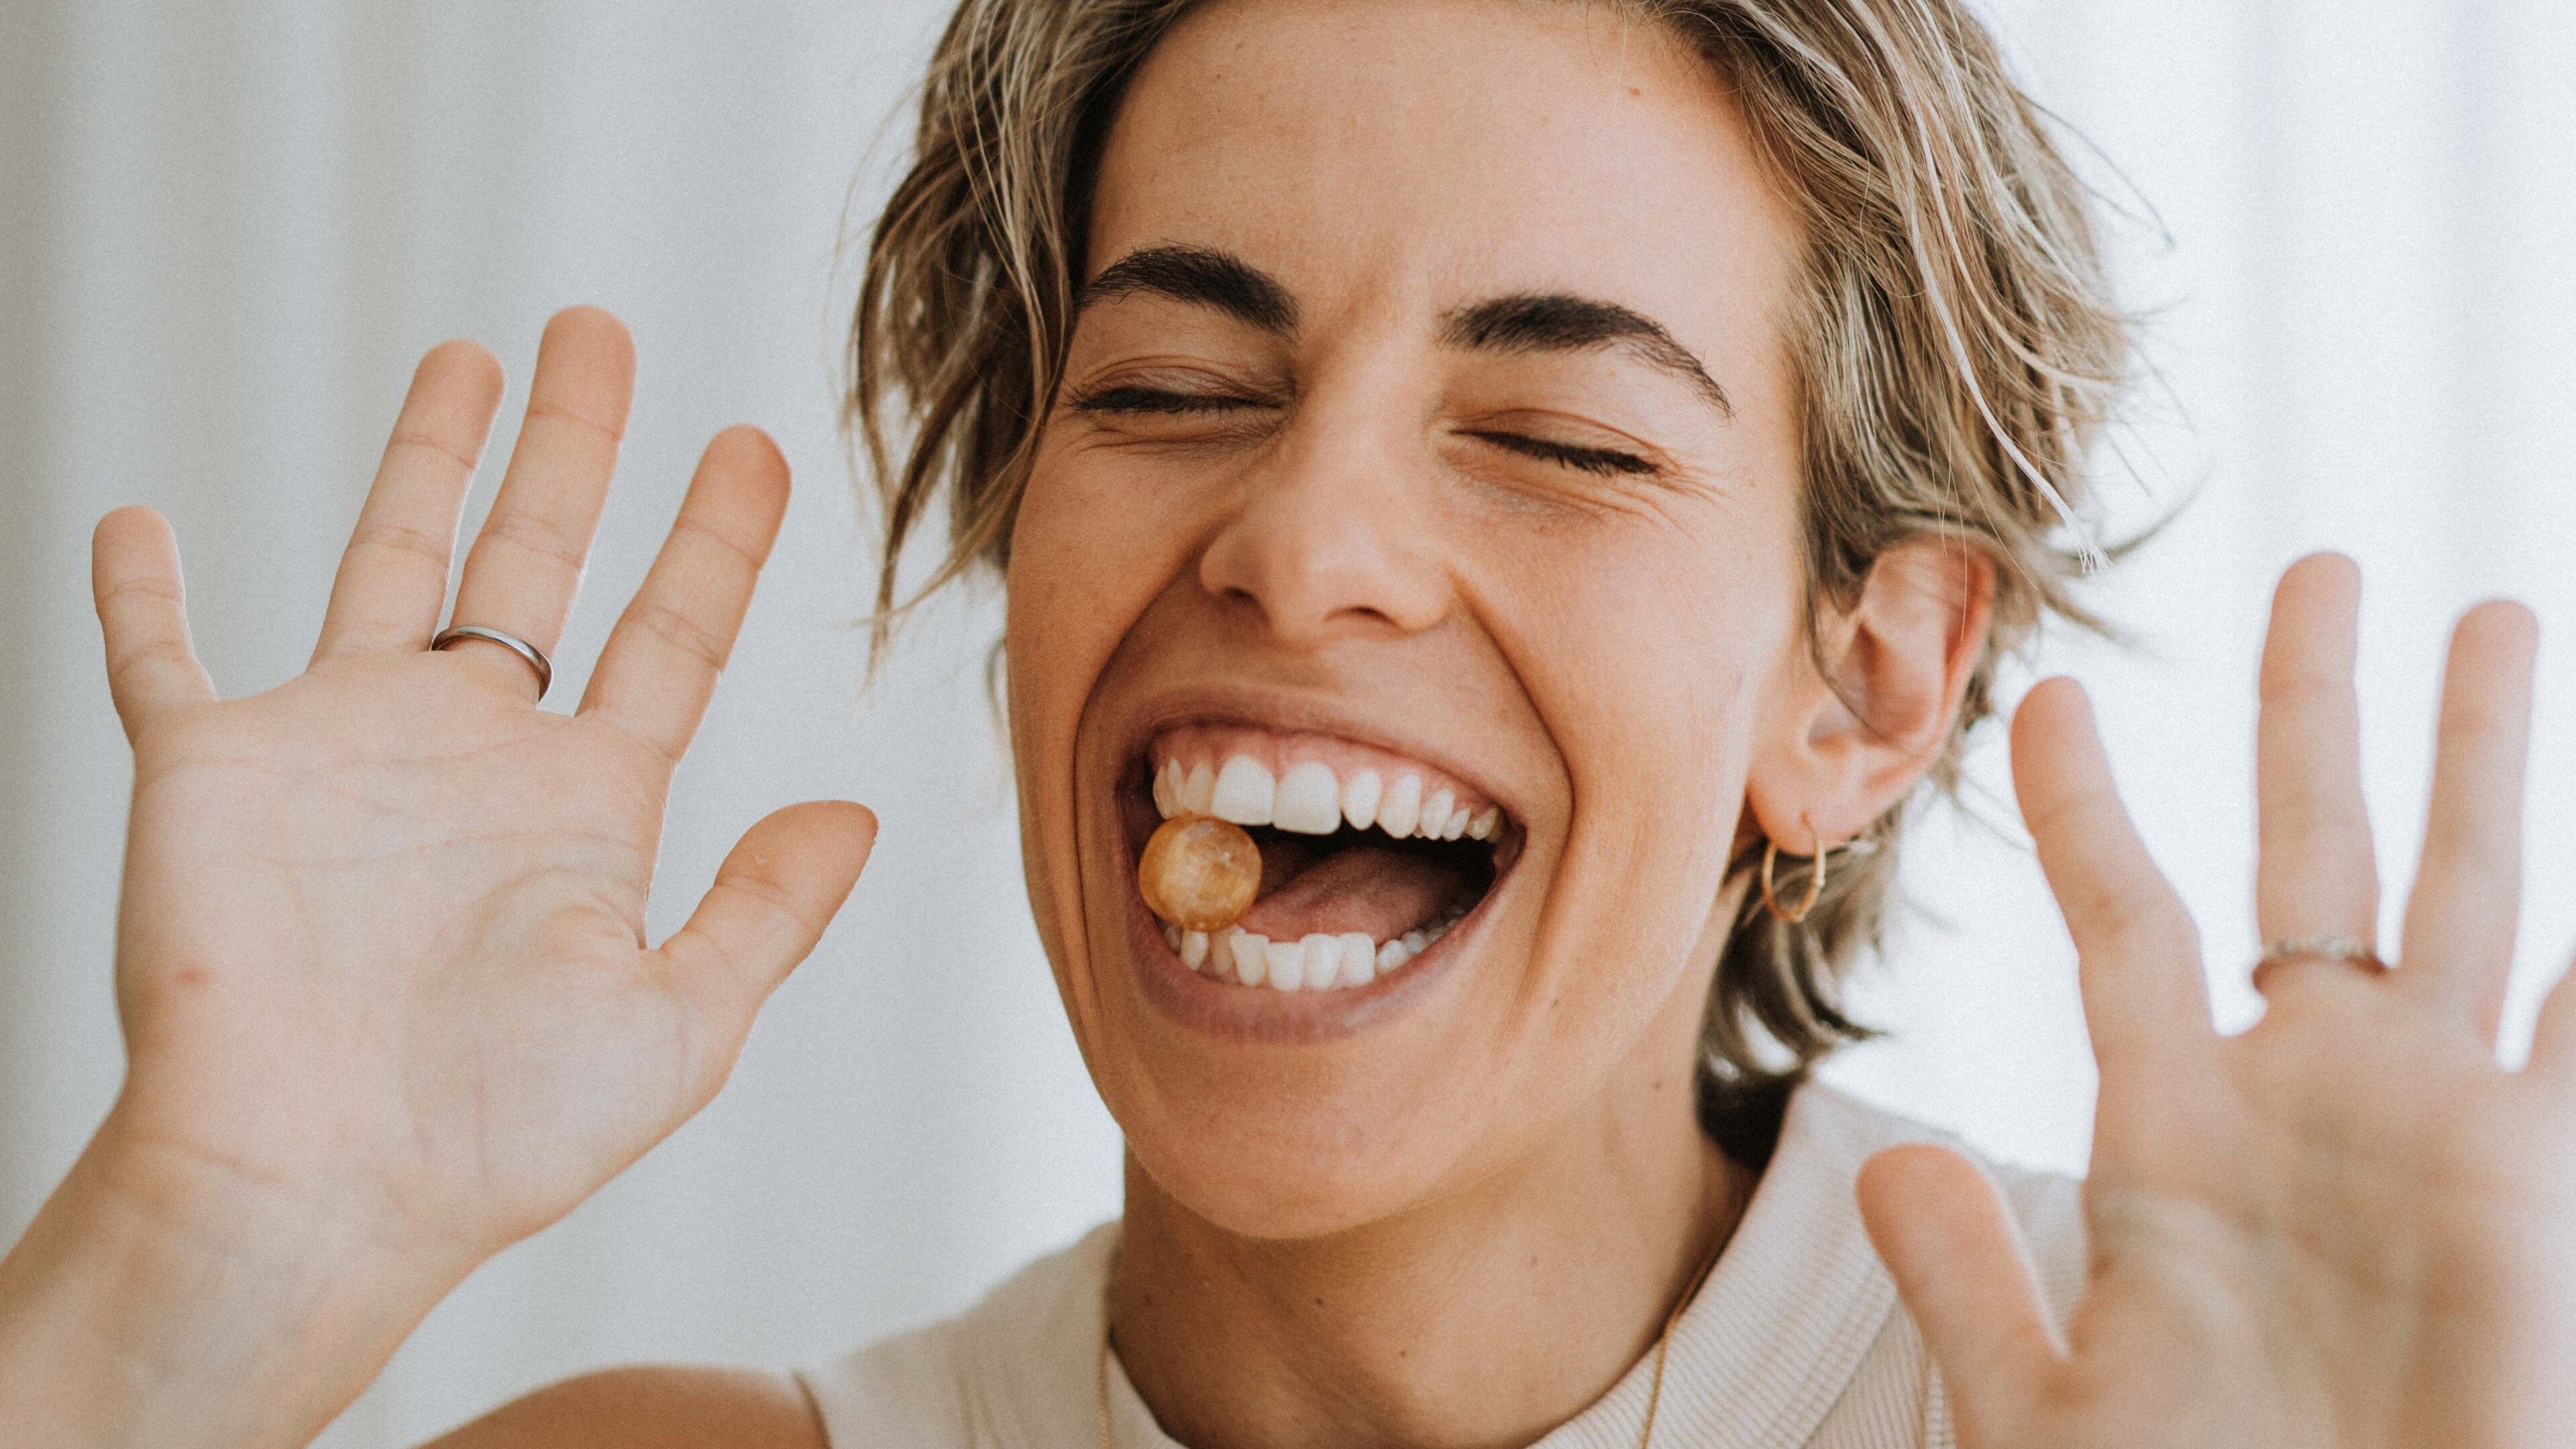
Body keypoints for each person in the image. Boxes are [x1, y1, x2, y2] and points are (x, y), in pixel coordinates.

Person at [3, 0, 2569, 1445]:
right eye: (1174, 385)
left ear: (1865, 686)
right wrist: (211, 1261)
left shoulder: (2203, 1409)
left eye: (1559, 435)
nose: (1303, 544)